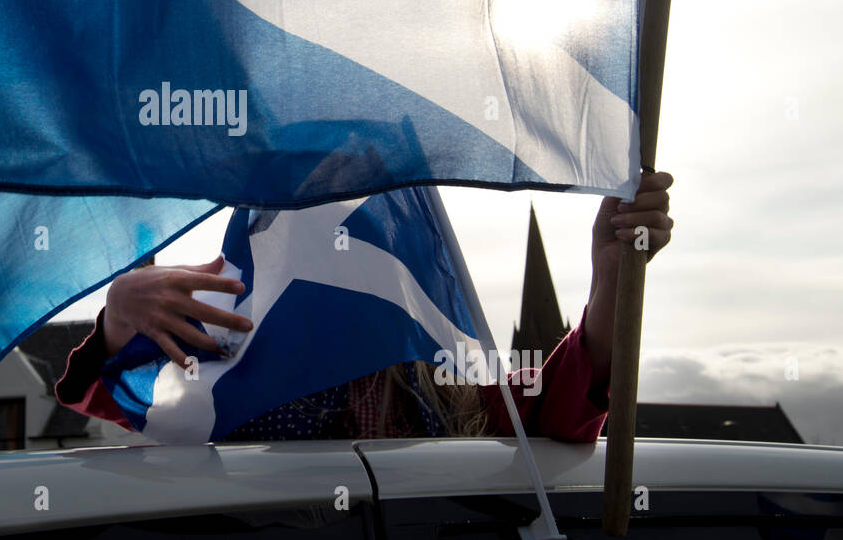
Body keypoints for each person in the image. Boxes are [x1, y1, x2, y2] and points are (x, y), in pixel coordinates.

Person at [56, 172, 675, 443]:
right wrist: (120, 312)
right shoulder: (229, 349)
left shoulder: (451, 399)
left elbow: (566, 403)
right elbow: (133, 398)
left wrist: (612, 276)